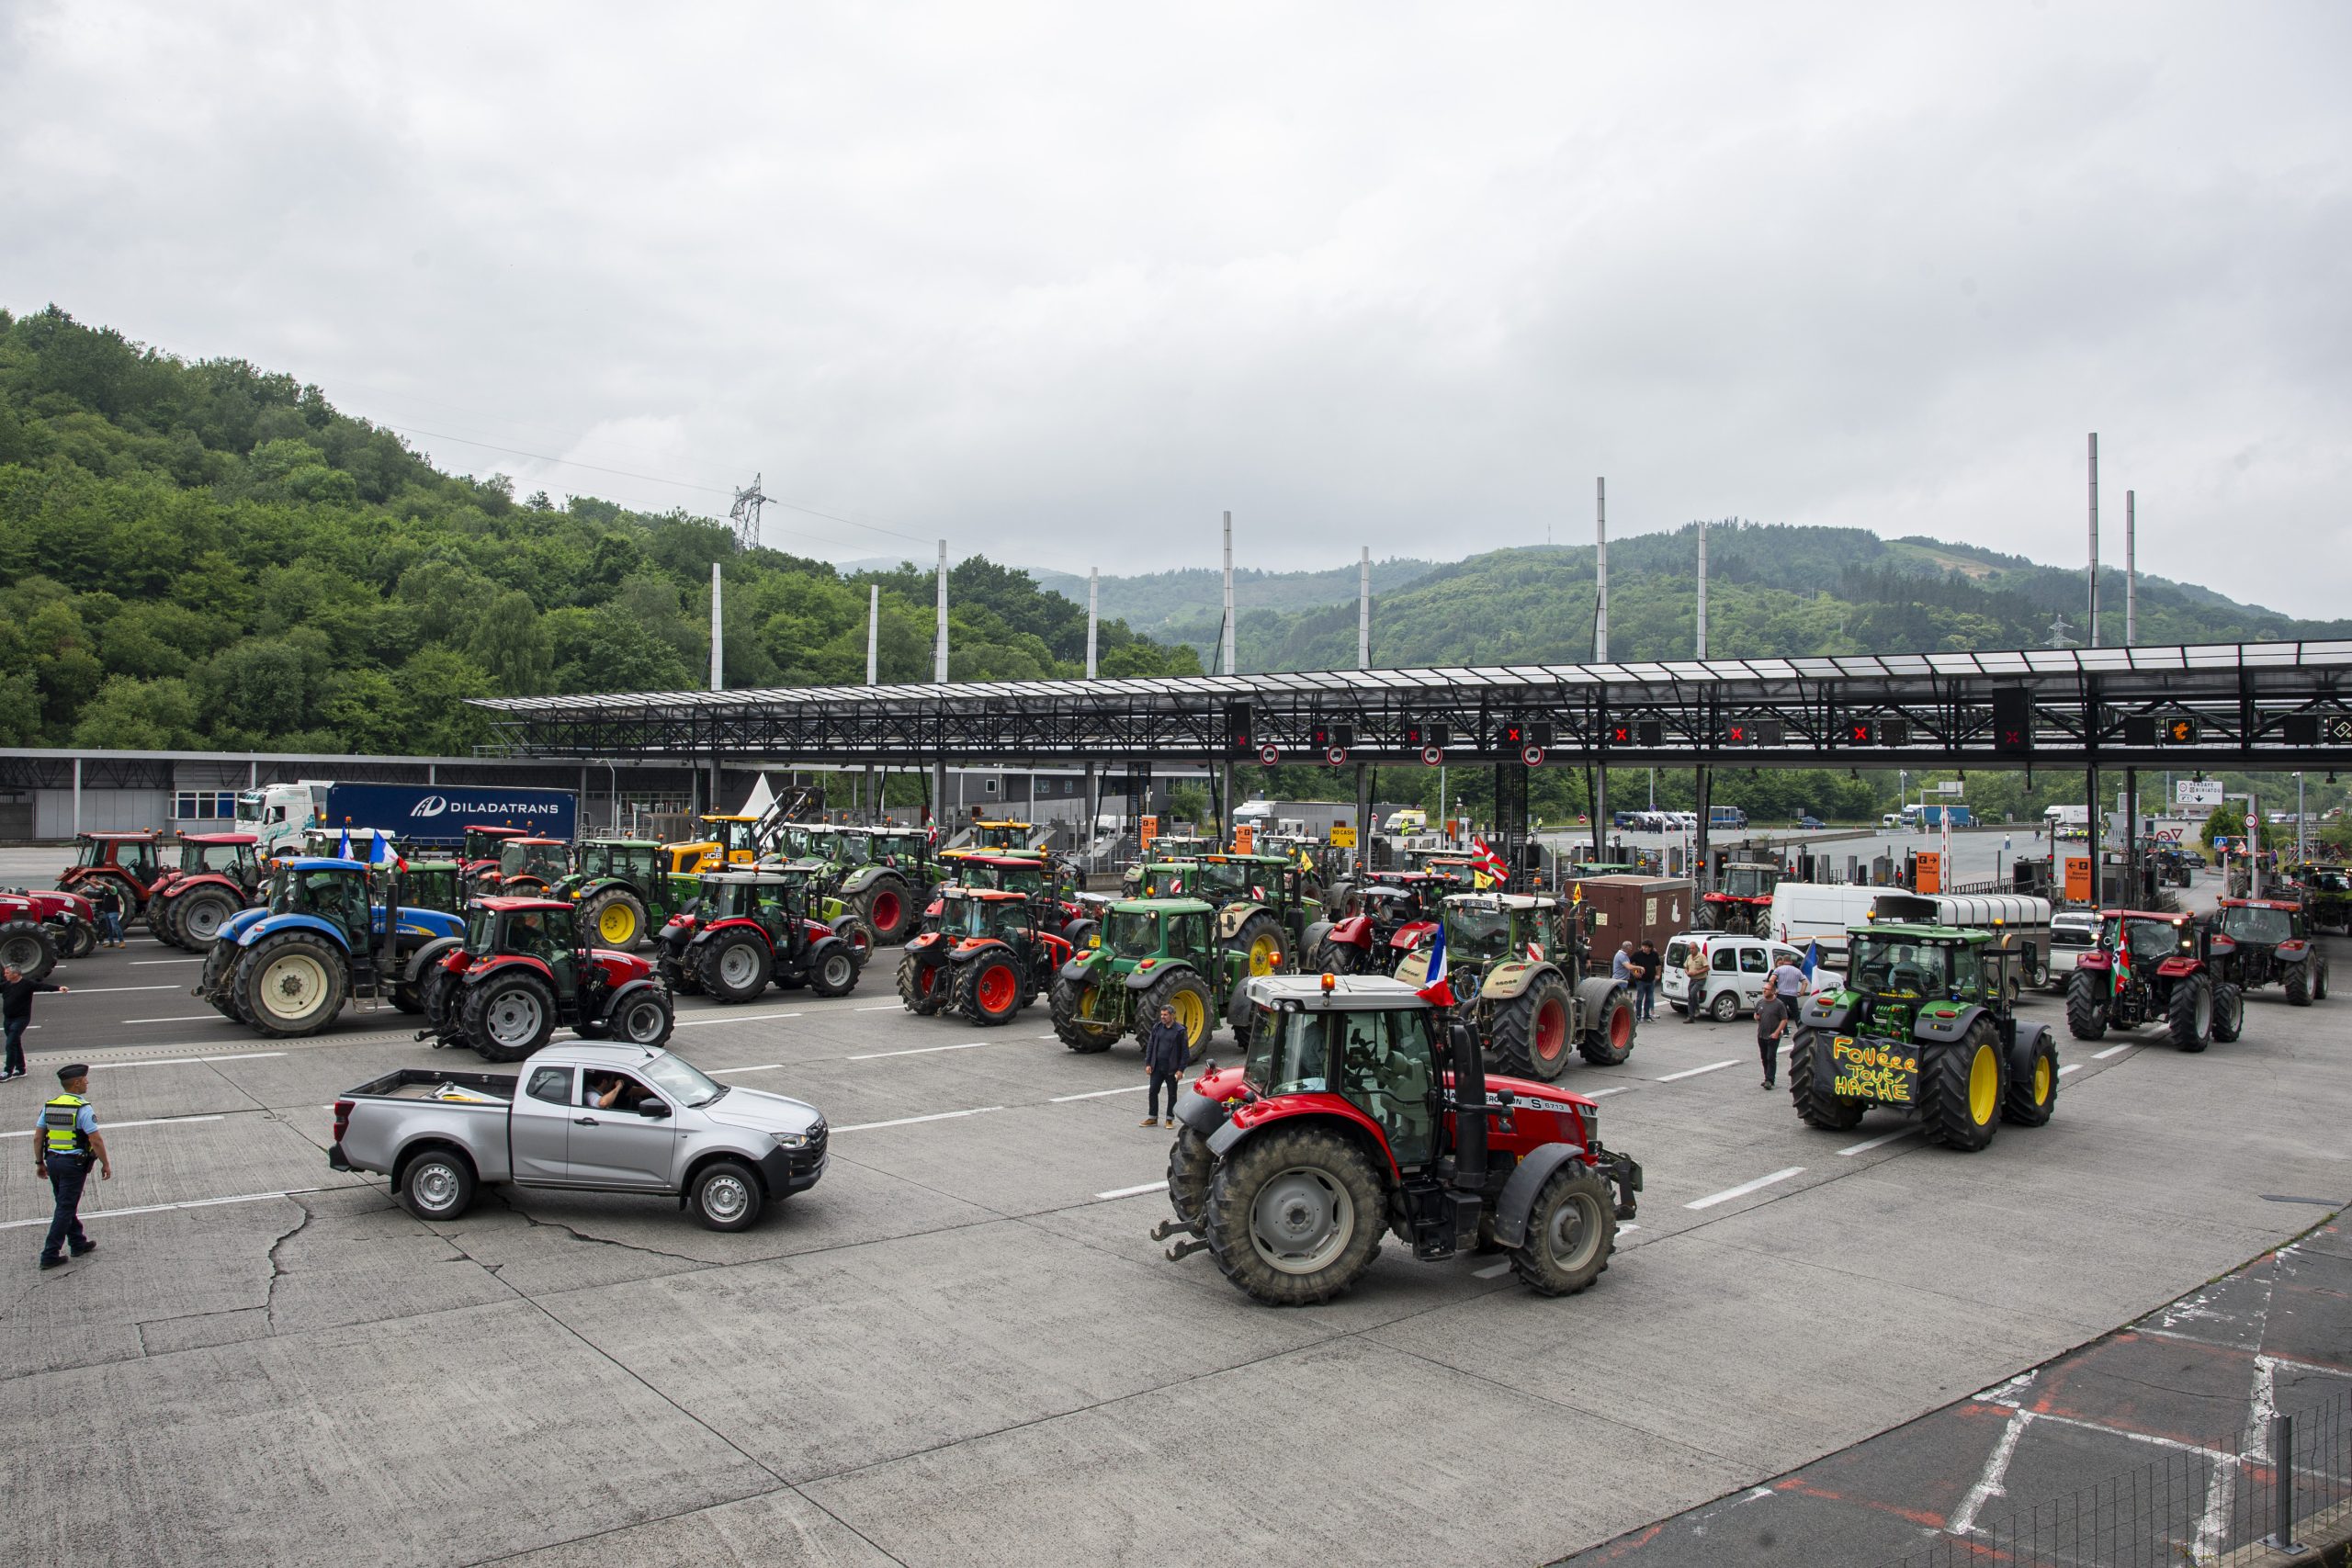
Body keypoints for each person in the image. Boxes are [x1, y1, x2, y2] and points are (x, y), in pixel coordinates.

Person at [35, 1063, 109, 1269]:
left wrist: (39, 1162)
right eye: (85, 1079)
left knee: (64, 1203)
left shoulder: (50, 1105)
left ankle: (77, 1242)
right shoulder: (82, 1108)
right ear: (76, 1083)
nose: (87, 1082)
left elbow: (38, 1136)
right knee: (65, 1207)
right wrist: (105, 1163)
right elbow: (96, 1140)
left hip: (53, 1161)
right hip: (73, 1165)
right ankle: (50, 1253)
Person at [2, 964, 67, 1081]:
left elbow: (43, 986)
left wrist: (58, 988)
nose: (4, 975)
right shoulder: (6, 985)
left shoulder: (27, 984)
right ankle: (21, 1069)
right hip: (8, 1019)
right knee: (15, 1043)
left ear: (15, 974)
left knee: (10, 1044)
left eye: (7, 973)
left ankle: (8, 1071)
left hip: (21, 1019)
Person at [1139, 1003, 1190, 1127]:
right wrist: (1148, 1063)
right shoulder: (1157, 1027)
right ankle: (1152, 1118)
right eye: (1162, 1014)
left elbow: (1185, 1053)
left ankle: (1169, 1119)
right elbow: (1150, 1046)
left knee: (1172, 1094)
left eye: (1165, 1015)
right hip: (1157, 1067)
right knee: (1152, 1092)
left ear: (1172, 1015)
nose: (1163, 1017)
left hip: (1171, 1069)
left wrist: (1180, 1070)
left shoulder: (1180, 1031)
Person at [1754, 988, 1789, 1090]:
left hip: (1773, 1036)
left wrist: (1776, 1033)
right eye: (1763, 989)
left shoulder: (1779, 1004)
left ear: (1773, 991)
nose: (1764, 991)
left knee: (1771, 1057)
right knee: (1764, 1057)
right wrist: (1756, 1017)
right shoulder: (1760, 1002)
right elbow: (1756, 1015)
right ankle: (1767, 1078)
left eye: (1766, 989)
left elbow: (1784, 1019)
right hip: (1761, 1035)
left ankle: (1770, 1080)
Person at [1681, 942, 1711, 1023]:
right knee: (1690, 997)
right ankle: (1690, 1017)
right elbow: (1685, 967)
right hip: (1692, 979)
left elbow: (1707, 968)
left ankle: (1697, 1008)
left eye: (1693, 948)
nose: (1691, 950)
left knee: (1693, 992)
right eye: (1690, 948)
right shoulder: (1689, 957)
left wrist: (1696, 972)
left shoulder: (1701, 956)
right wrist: (1687, 973)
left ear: (1696, 948)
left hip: (1700, 979)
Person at [1632, 940, 1660, 1021]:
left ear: (1650, 948)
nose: (1643, 948)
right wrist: (1635, 972)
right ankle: (1638, 1015)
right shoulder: (1637, 954)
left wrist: (1658, 974)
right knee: (1640, 998)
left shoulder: (1654, 954)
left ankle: (1647, 1015)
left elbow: (1658, 965)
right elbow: (1630, 964)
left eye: (1646, 947)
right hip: (1641, 980)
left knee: (1648, 998)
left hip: (1651, 980)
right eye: (1643, 946)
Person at [92, 884, 125, 948]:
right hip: (107, 912)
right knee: (109, 928)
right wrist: (88, 882)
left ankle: (121, 941)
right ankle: (111, 942)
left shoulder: (113, 889)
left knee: (115, 927)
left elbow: (108, 886)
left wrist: (98, 881)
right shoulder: (105, 890)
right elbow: (96, 886)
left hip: (113, 912)